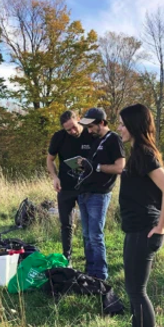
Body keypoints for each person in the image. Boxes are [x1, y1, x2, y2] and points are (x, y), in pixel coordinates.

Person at [117, 104, 164, 327]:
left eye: (121, 123)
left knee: (137, 291)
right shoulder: (136, 153)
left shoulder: (144, 153)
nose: (118, 128)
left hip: (145, 229)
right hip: (134, 229)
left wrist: (161, 227)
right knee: (131, 288)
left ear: (133, 125)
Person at [76, 107, 125, 280]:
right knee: (86, 235)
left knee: (96, 235)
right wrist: (84, 164)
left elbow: (120, 167)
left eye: (91, 127)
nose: (89, 131)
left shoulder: (114, 139)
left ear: (102, 123)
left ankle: (100, 275)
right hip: (84, 191)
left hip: (99, 193)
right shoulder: (96, 139)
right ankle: (90, 271)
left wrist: (96, 167)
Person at [47, 111, 94, 261]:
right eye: (68, 130)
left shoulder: (90, 133)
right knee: (66, 224)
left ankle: (90, 258)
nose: (72, 131)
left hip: (87, 187)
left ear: (78, 119)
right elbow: (50, 160)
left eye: (74, 127)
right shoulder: (59, 137)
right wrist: (54, 177)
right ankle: (67, 257)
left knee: (89, 225)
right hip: (65, 187)